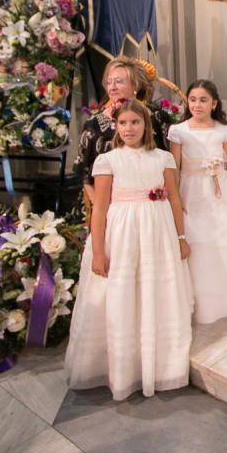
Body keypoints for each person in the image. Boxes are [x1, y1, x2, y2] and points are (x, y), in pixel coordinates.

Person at [64, 100, 193, 399]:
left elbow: (174, 199)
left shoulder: (163, 158)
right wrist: (98, 251)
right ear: (116, 128)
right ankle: (124, 369)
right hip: (122, 233)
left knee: (154, 293)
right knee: (123, 293)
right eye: (123, 123)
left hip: (158, 232)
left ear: (146, 125)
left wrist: (180, 237)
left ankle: (162, 366)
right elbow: (99, 209)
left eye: (135, 122)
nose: (129, 128)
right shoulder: (108, 160)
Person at [168, 80, 227, 323]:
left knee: (226, 236)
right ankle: (202, 300)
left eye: (203, 100)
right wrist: (177, 197)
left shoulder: (223, 129)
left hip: (219, 188)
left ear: (214, 103)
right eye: (193, 100)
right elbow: (175, 168)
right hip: (192, 189)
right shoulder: (179, 131)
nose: (197, 105)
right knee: (199, 239)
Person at [74, 57, 169, 205]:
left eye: (118, 81)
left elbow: (173, 167)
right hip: (112, 207)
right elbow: (85, 175)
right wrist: (103, 209)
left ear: (135, 84)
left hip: (155, 205)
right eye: (109, 82)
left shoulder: (158, 118)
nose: (112, 87)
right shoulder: (94, 124)